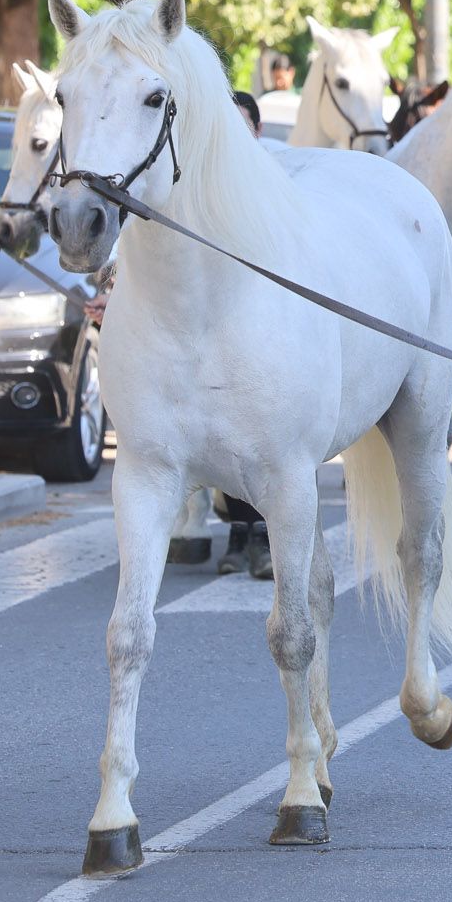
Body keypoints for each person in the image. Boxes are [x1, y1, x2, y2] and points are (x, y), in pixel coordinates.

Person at [215, 89, 274, 578]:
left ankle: (268, 537)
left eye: (243, 125)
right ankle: (238, 532)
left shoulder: (272, 180)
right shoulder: (203, 186)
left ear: (257, 131)